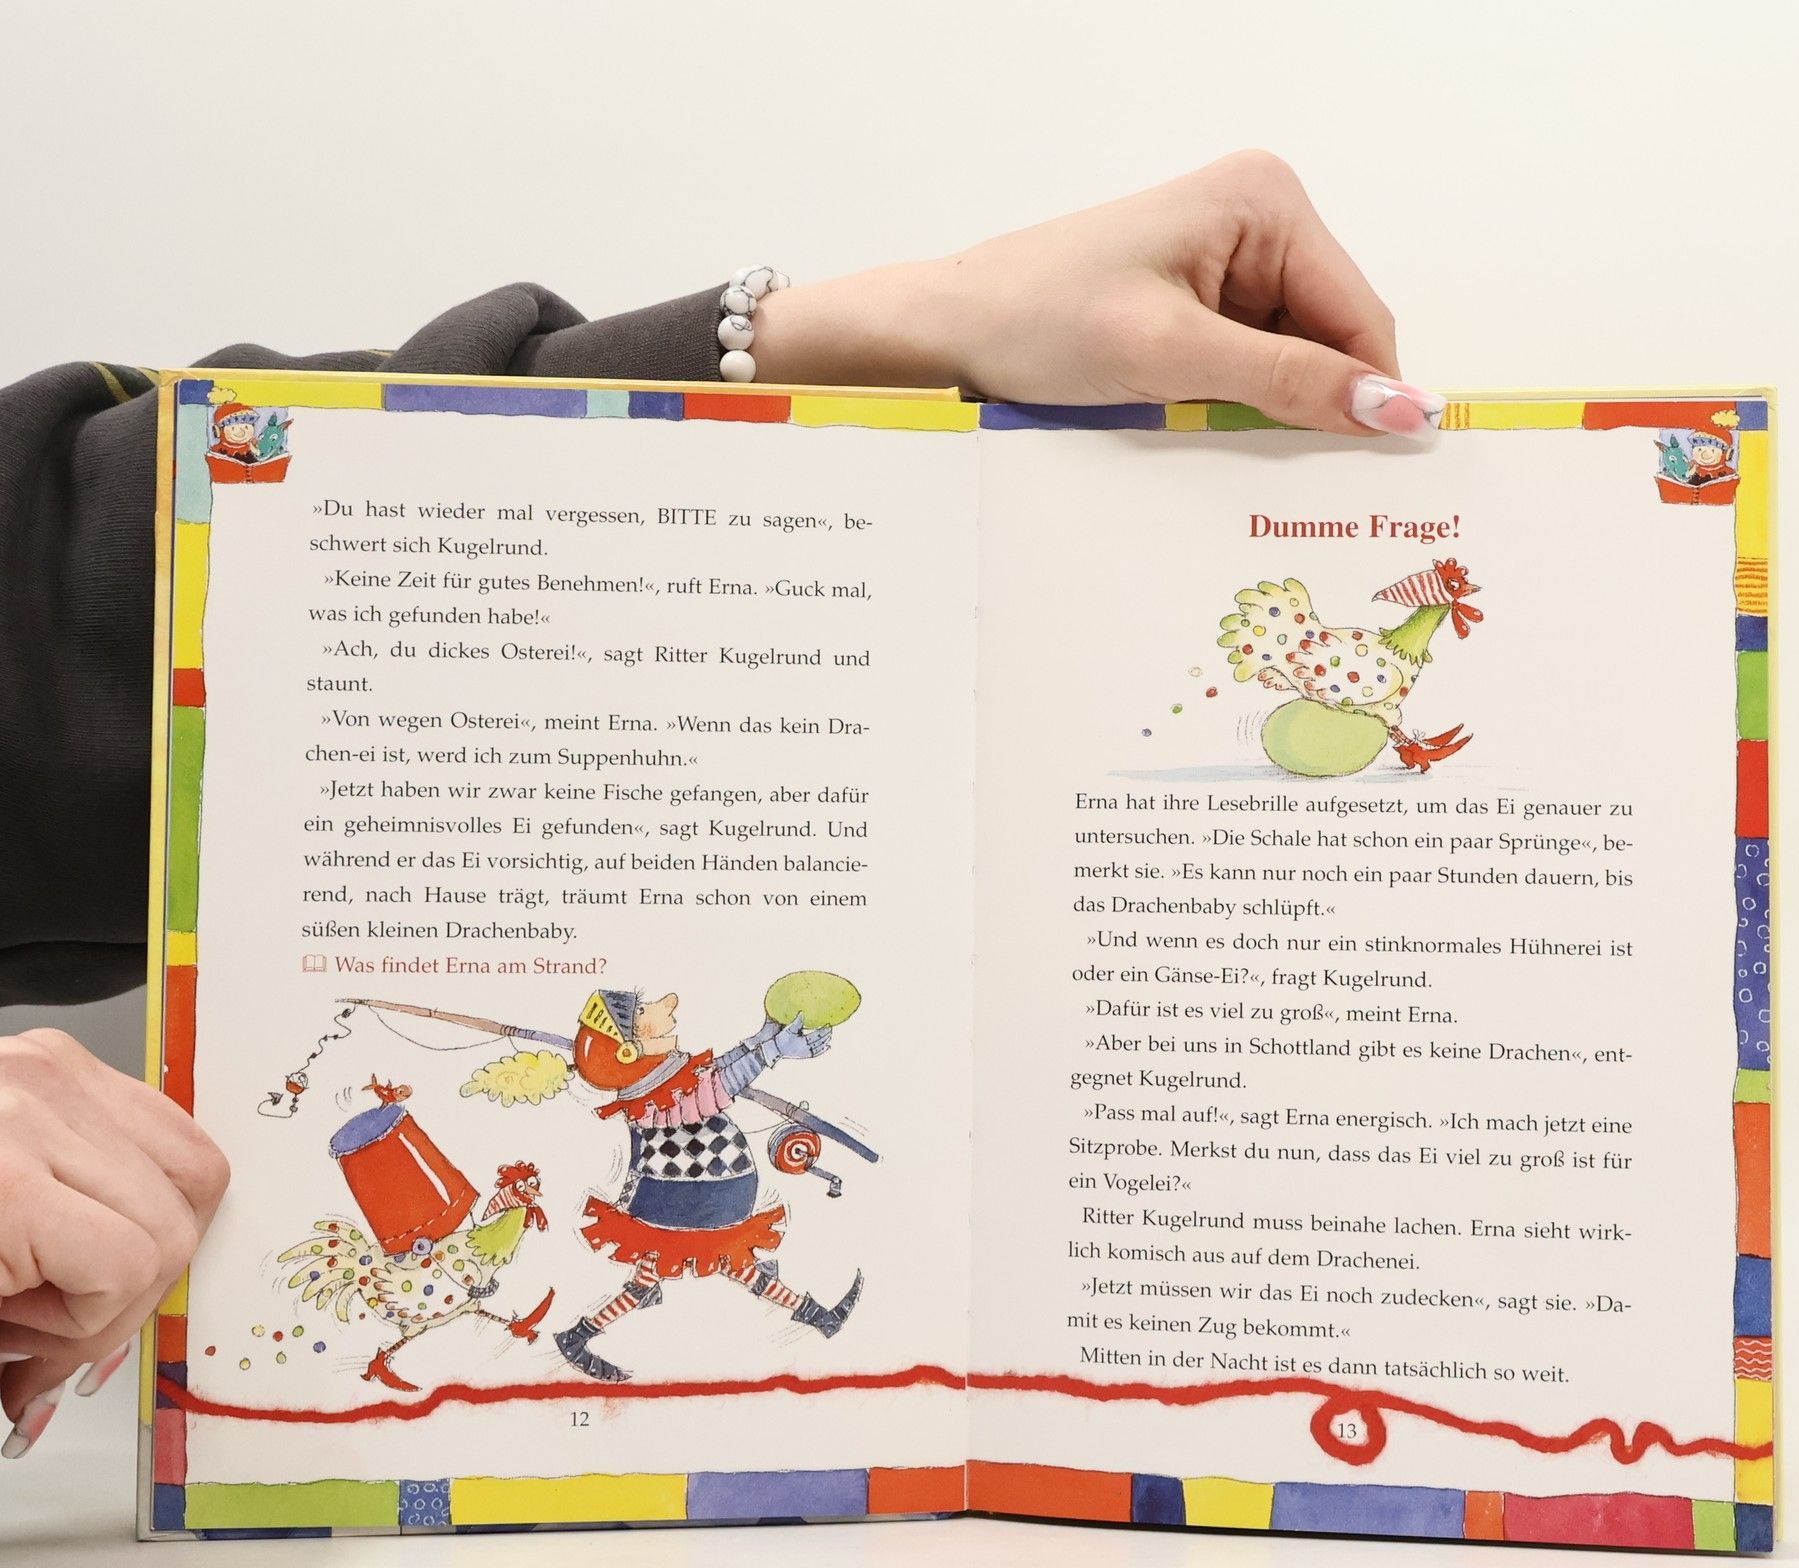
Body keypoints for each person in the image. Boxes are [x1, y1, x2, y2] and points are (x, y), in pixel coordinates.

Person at [0, 150, 1434, 1459]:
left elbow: (71, 609)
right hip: (609, 1268)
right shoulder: (659, 1084)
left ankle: (687, 1328)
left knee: (707, 1267)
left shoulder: (661, 1079)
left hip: (684, 1204)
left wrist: (912, 320)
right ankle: (655, 1334)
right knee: (692, 1268)